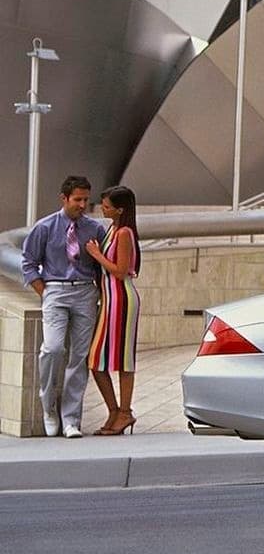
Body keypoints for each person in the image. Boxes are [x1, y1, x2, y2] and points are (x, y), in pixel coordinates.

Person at [21, 174, 107, 439]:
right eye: (77, 199)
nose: (83, 205)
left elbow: (102, 265)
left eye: (86, 200)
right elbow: (28, 263)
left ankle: (71, 419)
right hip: (55, 291)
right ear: (64, 198)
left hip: (85, 293)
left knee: (79, 358)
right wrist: (46, 293)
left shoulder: (94, 229)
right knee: (53, 348)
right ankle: (48, 406)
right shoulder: (45, 227)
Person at [85, 185, 142, 435]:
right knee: (97, 360)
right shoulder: (113, 229)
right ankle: (115, 411)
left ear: (120, 210)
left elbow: (120, 271)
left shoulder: (125, 233)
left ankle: (125, 412)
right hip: (110, 300)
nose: (103, 209)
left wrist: (96, 254)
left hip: (122, 300)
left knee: (122, 358)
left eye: (107, 206)